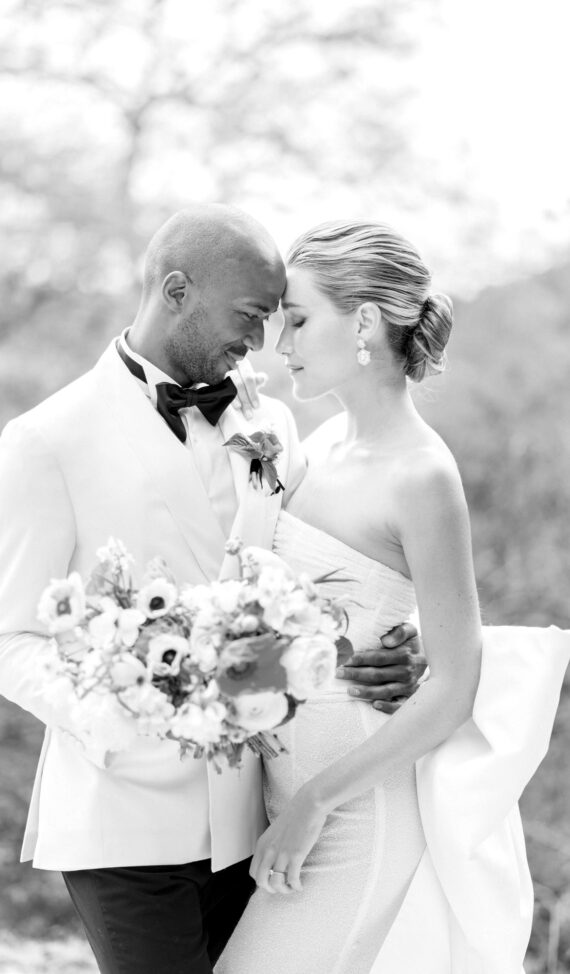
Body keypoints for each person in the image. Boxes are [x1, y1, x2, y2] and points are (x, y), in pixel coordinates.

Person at [0, 205, 422, 974]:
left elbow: (321, 567)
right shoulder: (46, 441)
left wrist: (393, 638)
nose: (261, 341)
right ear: (177, 291)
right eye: (249, 315)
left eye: (274, 318)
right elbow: (4, 639)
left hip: (256, 811)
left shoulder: (270, 423)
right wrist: (116, 712)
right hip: (125, 818)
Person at [215, 221, 570, 974]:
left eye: (298, 320)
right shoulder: (315, 449)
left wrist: (315, 802)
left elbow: (456, 685)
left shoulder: (423, 475)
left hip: (352, 818)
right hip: (281, 802)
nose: (281, 344)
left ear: (366, 322)